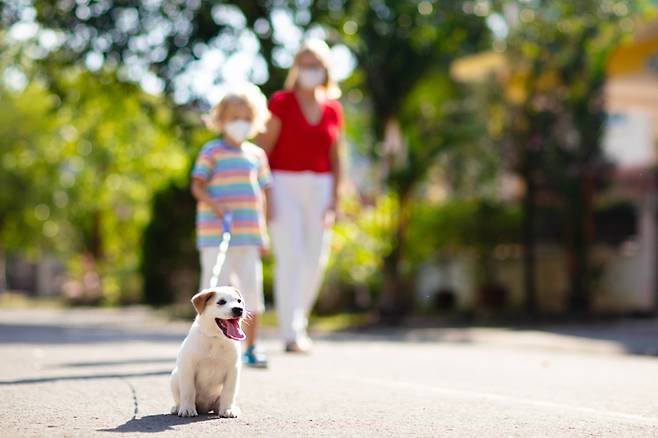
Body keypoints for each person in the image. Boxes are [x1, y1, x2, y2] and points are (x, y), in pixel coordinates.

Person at [256, 39, 343, 353]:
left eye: (316, 64)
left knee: (315, 259)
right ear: (296, 67)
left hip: (320, 187)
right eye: (304, 64)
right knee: (290, 257)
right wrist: (262, 194)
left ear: (325, 69)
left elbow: (336, 157)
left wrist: (336, 196)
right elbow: (262, 150)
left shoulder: (334, 108)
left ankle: (300, 322)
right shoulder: (280, 102)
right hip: (282, 184)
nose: (310, 70)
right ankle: (290, 332)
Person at [191, 84, 272, 368]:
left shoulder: (257, 155)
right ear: (221, 119)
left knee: (251, 292)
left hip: (248, 236)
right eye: (234, 117)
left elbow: (262, 195)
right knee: (213, 292)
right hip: (216, 236)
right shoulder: (211, 151)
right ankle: (206, 345)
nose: (240, 123)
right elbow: (197, 186)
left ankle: (251, 347)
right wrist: (215, 205)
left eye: (246, 118)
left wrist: (263, 232)